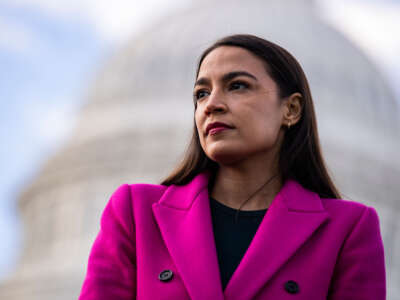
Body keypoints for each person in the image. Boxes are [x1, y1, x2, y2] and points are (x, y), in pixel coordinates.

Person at [78, 34, 386, 300]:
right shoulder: (135, 212)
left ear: (291, 110)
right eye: (201, 93)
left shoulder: (348, 230)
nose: (212, 104)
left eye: (237, 86)